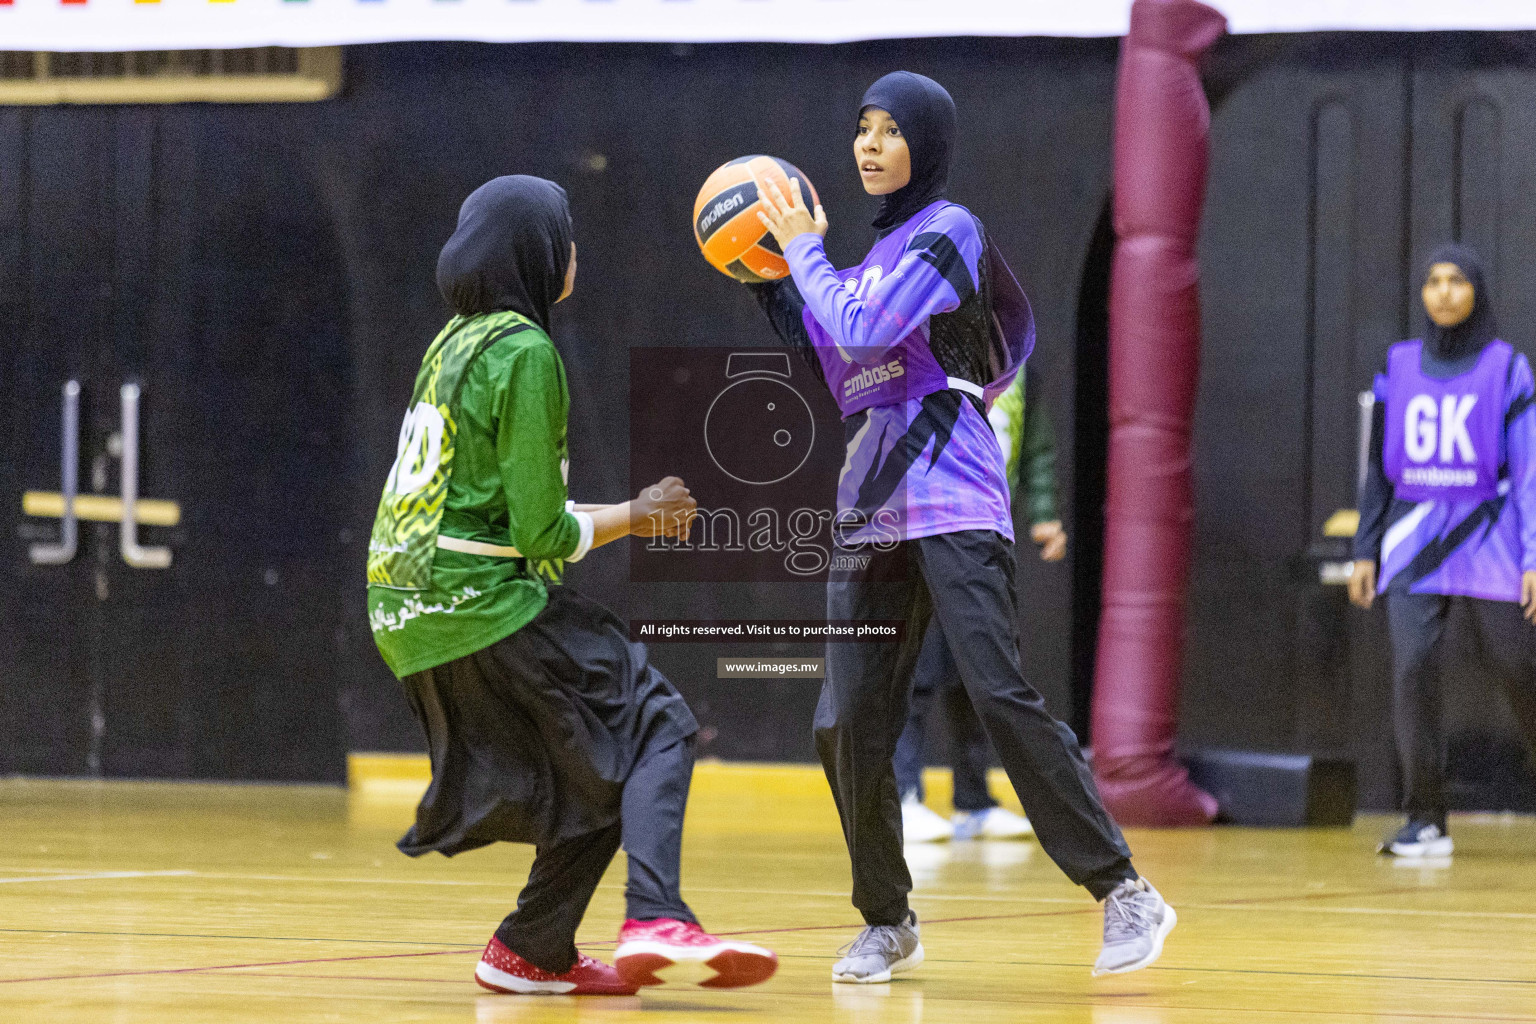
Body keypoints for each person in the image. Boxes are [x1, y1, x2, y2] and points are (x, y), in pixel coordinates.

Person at [747, 70, 1174, 982]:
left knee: (997, 692)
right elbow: (844, 373)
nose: (868, 145)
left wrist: (804, 253)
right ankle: (886, 918)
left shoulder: (951, 232)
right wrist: (776, 283)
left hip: (952, 493)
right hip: (870, 503)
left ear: (925, 146)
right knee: (844, 721)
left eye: (889, 131)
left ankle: (1126, 891)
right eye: (860, 128)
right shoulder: (862, 265)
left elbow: (864, 330)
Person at [366, 175, 777, 995]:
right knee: (659, 721)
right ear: (534, 252)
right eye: (565, 234)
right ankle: (658, 914)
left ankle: (529, 947)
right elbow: (543, 536)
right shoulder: (525, 351)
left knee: (597, 763)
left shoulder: (453, 343)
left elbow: (501, 513)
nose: (575, 251)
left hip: (404, 608)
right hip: (477, 601)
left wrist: (621, 514)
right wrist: (640, 513)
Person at [1348, 243, 1536, 859]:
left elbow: (1529, 469)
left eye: (1457, 280)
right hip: (1412, 540)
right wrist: (1365, 548)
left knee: (1519, 669)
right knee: (1413, 673)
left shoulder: (1508, 367)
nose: (1445, 291)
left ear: (1476, 290)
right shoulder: (1398, 365)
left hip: (1490, 534)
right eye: (1434, 280)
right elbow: (1377, 470)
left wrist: (1533, 554)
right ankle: (1425, 819)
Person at [896, 364, 1064, 843]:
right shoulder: (926, 344)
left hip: (984, 529)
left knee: (979, 670)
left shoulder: (1018, 360)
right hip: (924, 527)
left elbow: (1035, 443)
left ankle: (974, 801)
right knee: (915, 671)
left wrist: (1045, 511)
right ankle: (905, 798)